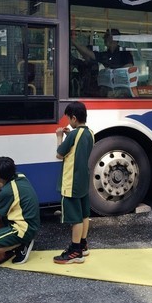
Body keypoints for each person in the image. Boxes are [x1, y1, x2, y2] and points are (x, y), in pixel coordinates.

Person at [0, 156, 40, 265]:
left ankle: (22, 243)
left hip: (22, 229)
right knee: (1, 212)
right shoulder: (20, 176)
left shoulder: (8, 191)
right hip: (30, 224)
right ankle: (19, 241)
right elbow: (2, 188)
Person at [54, 101, 94, 264]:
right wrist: (69, 135)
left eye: (69, 119)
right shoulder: (90, 133)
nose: (68, 122)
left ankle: (75, 251)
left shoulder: (72, 135)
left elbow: (59, 155)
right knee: (84, 214)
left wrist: (59, 136)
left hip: (71, 181)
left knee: (75, 217)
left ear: (74, 118)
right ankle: (83, 245)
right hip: (83, 180)